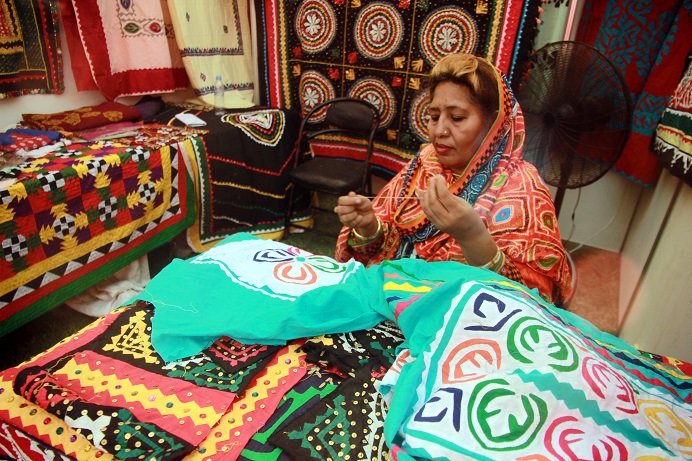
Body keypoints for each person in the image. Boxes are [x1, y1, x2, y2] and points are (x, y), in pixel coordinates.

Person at [333, 53, 573, 306]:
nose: (439, 131)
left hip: (460, 328)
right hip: (386, 304)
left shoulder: (522, 188)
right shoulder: (425, 163)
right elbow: (380, 248)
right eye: (434, 117)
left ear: (494, 123)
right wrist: (368, 226)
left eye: (457, 118)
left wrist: (473, 237)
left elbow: (533, 302)